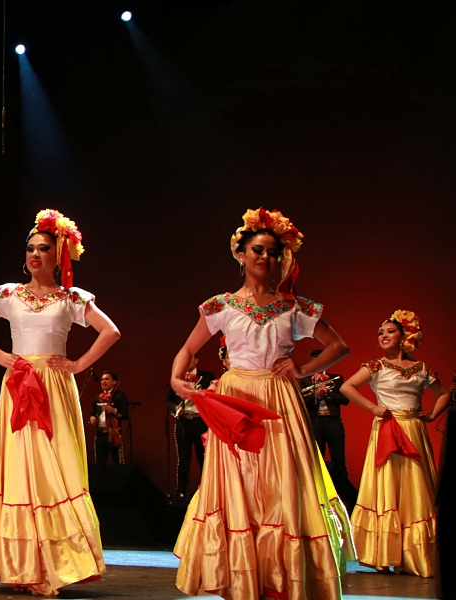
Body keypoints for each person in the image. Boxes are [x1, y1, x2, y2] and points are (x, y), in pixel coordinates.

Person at [170, 208, 350, 599]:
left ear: (280, 258)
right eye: (257, 249)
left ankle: (279, 578)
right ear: (241, 254)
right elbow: (188, 348)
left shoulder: (294, 307)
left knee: (280, 483)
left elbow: (339, 346)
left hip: (278, 400)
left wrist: (302, 368)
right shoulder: (221, 306)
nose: (264, 257)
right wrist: (175, 379)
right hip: (235, 399)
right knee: (238, 483)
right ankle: (240, 576)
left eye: (272, 251)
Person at [0, 209, 120, 596]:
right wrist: (0, 356)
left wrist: (79, 364)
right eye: (30, 248)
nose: (34, 254)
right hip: (18, 382)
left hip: (54, 386)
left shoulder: (71, 298)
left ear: (58, 255)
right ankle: (20, 563)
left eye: (43, 248)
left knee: (54, 466)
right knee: (18, 468)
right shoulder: (8, 293)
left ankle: (54, 564)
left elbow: (110, 330)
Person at [341, 310, 450, 577]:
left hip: (413, 429)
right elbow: (347, 387)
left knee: (416, 489)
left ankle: (415, 556)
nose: (384, 336)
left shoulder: (421, 369)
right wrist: (372, 407)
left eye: (390, 331)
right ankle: (384, 554)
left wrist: (433, 414)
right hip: (388, 428)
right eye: (381, 333)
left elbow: (445, 392)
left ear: (405, 337)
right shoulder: (375, 366)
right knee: (388, 486)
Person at [299, 348, 355, 508]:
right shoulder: (304, 381)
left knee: (339, 460)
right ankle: (320, 498)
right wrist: (317, 395)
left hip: (333, 422)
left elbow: (345, 399)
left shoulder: (336, 379)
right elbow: (302, 403)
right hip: (315, 423)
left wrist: (327, 395)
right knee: (318, 460)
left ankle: (345, 497)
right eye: (313, 361)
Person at [166, 357, 213, 501]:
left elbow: (214, 396)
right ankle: (180, 492)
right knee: (183, 459)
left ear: (197, 360)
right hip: (184, 422)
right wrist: (175, 408)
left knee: (204, 458)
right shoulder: (178, 378)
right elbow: (168, 400)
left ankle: (209, 491)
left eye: (189, 358)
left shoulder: (208, 377)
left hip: (201, 422)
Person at [89, 371, 129, 471]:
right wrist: (92, 419)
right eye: (102, 379)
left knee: (118, 464)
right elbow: (92, 413)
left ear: (114, 382)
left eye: (107, 379)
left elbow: (125, 414)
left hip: (114, 434)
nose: (103, 381)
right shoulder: (97, 398)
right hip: (100, 434)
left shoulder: (119, 395)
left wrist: (113, 410)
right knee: (100, 465)